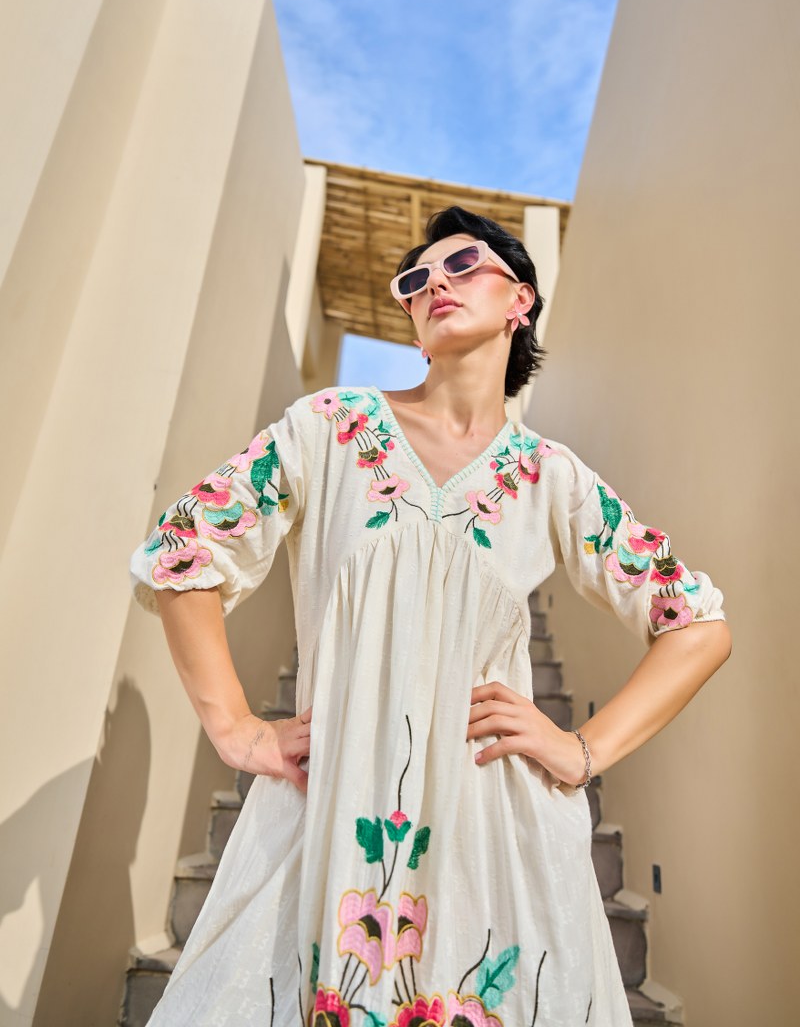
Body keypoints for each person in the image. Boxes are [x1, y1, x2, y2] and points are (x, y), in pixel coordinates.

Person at [130, 205, 730, 1027]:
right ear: (411, 318)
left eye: (463, 264)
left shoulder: (552, 479)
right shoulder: (328, 429)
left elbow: (697, 626)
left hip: (493, 831)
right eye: (415, 280)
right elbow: (184, 550)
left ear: (520, 300)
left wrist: (581, 750)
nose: (434, 282)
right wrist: (234, 726)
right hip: (331, 806)